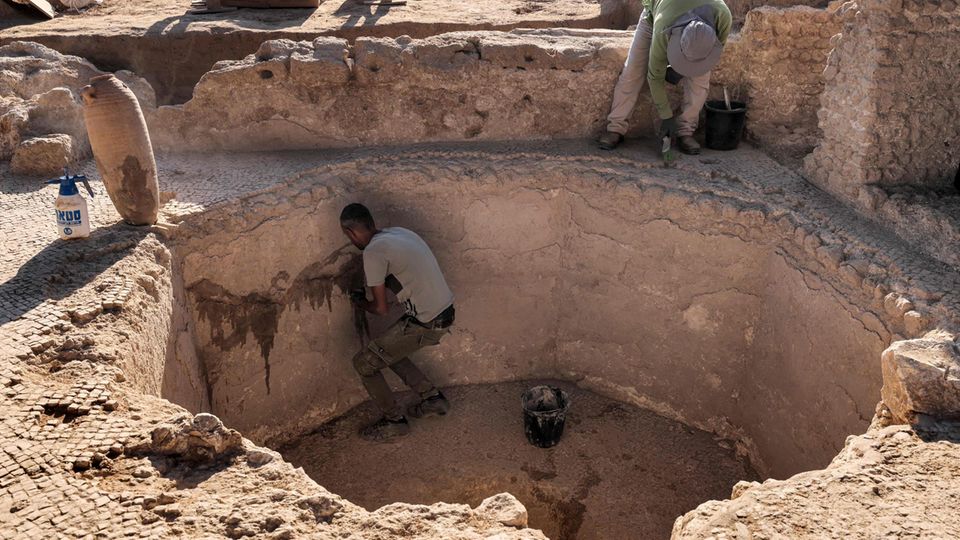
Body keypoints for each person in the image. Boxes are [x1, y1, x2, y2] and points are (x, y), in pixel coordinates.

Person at [340, 203, 455, 440]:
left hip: (427, 321)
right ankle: (432, 399)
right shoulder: (400, 232)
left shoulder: (372, 252)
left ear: (350, 233)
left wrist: (360, 301)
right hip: (444, 311)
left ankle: (394, 421)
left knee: (364, 363)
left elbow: (380, 309)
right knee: (385, 350)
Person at [598, 0, 732, 154]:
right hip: (655, 17)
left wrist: (680, 69)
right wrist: (666, 118)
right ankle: (615, 127)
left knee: (700, 81)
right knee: (633, 71)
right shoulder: (663, 23)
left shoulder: (723, 16)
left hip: (694, 25)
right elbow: (654, 76)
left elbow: (714, 52)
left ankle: (686, 131)